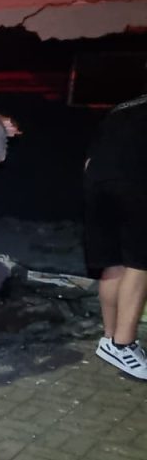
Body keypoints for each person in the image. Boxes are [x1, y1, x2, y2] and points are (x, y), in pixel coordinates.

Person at [84, 92, 147, 380]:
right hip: (134, 185)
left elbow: (89, 160)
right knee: (140, 264)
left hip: (97, 184)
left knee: (114, 261)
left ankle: (110, 340)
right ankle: (124, 344)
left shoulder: (122, 107)